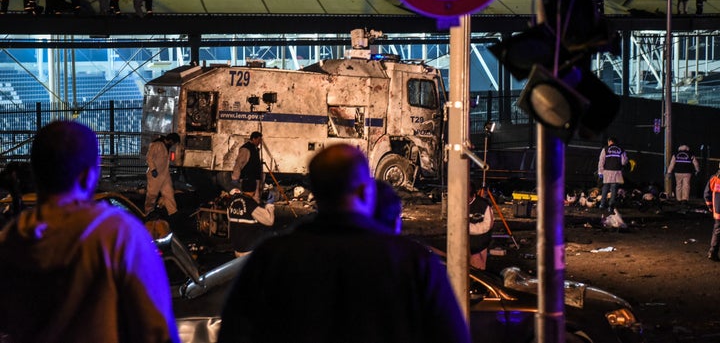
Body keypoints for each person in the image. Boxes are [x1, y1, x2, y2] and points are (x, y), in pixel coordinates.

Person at [217, 143, 470, 343]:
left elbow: (236, 332)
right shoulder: (413, 262)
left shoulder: (271, 258)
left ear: (315, 192)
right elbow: (450, 334)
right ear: (365, 191)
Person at [0, 120, 179, 343]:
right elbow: (157, 331)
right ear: (89, 174)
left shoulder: (11, 240)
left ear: (37, 172)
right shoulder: (120, 235)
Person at [227, 179, 276, 257]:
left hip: (237, 249)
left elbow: (230, 218)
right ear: (254, 189)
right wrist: (269, 205)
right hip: (249, 250)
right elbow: (269, 221)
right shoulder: (250, 204)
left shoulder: (233, 201)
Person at [145, 132, 180, 220]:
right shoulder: (157, 145)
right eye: (174, 143)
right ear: (171, 141)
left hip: (164, 174)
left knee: (169, 193)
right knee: (152, 195)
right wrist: (153, 169)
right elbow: (149, 157)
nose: (173, 145)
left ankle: (173, 212)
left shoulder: (165, 146)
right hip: (155, 175)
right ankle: (148, 211)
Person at [597, 136, 628, 210]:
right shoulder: (621, 150)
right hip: (617, 172)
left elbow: (601, 161)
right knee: (614, 190)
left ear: (610, 141)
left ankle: (602, 205)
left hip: (607, 172)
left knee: (605, 188)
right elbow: (624, 162)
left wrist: (600, 172)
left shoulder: (605, 149)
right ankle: (610, 207)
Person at [231, 131, 263, 201]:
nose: (259, 142)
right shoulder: (246, 149)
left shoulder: (255, 149)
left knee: (255, 199)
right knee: (247, 199)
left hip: (254, 179)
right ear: (253, 139)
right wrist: (235, 177)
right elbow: (239, 163)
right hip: (247, 179)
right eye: (259, 140)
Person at [469, 186, 494, 270]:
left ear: (472, 195)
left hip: (479, 245)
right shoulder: (457, 204)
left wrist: (468, 228)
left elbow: (487, 225)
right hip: (461, 245)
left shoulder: (484, 205)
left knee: (477, 271)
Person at [703, 164, 720, 261]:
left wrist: (711, 207)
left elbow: (706, 194)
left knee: (717, 231)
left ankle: (712, 252)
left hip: (718, 211)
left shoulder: (714, 179)